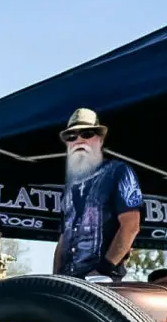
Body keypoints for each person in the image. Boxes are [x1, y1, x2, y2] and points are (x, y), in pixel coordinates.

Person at [51, 108, 143, 281]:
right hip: (68, 280)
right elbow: (64, 236)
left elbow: (131, 225)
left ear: (99, 139)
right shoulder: (70, 184)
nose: (79, 141)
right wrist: (56, 276)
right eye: (72, 137)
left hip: (102, 281)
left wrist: (104, 270)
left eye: (87, 134)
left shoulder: (119, 172)